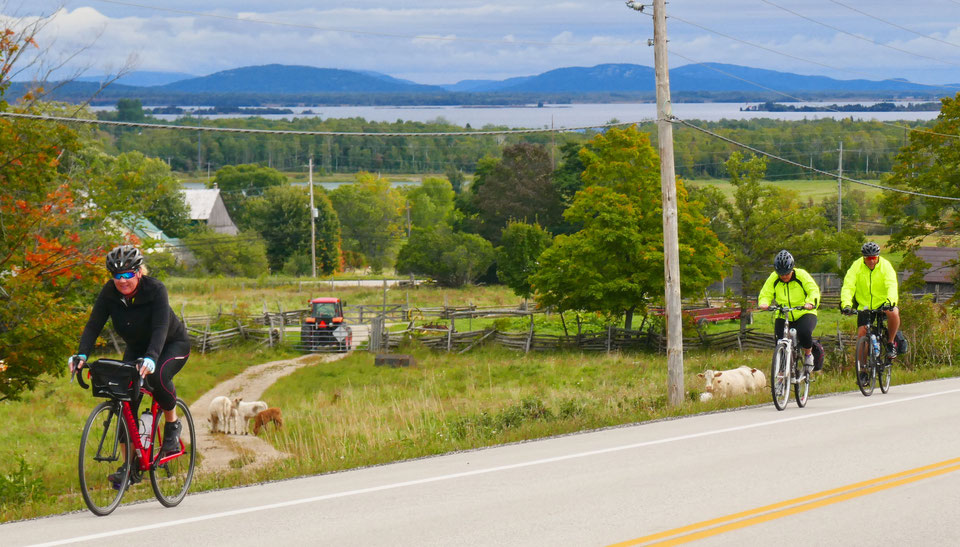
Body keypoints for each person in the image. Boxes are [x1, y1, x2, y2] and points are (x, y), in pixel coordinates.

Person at [68, 245, 190, 487]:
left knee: (157, 378)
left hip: (170, 344)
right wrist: (81, 354)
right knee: (125, 401)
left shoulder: (155, 290)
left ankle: (172, 425)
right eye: (116, 276)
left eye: (127, 275)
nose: (122, 281)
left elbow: (160, 328)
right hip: (137, 348)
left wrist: (152, 358)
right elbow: (94, 325)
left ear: (138, 272)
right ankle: (130, 467)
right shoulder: (109, 293)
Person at [758, 250, 821, 379]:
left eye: (786, 273)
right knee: (779, 340)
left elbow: (813, 290)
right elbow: (766, 293)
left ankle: (808, 355)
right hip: (783, 314)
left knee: (804, 332)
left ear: (792, 268)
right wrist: (764, 303)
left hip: (804, 312)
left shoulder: (801, 275)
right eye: (780, 274)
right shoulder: (773, 278)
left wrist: (810, 302)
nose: (784, 276)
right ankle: (782, 374)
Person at [840, 241, 901, 358]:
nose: (871, 261)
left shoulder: (886, 266)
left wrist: (890, 302)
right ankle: (862, 371)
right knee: (862, 334)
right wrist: (846, 305)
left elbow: (892, 285)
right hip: (865, 305)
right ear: (864, 258)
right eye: (868, 258)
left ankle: (890, 343)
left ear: (878, 256)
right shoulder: (856, 266)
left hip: (884, 302)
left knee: (893, 312)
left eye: (874, 258)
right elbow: (848, 286)